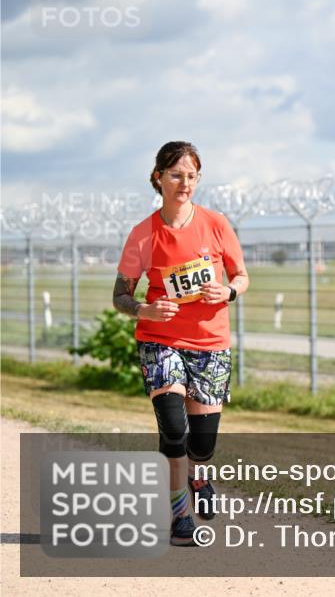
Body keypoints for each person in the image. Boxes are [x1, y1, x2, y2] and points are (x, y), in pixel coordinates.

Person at [113, 141, 249, 546]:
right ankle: (179, 517)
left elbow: (241, 275)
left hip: (210, 343)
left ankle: (199, 477)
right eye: (176, 175)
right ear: (158, 178)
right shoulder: (143, 234)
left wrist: (227, 293)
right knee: (174, 428)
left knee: (202, 444)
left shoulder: (216, 224)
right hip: (160, 342)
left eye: (191, 176)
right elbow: (120, 296)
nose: (184, 183)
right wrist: (143, 311)